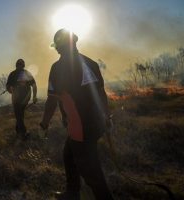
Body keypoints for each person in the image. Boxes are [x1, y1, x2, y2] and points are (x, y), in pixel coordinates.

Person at [40, 29, 114, 200]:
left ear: (60, 46)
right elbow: (101, 93)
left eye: (57, 46)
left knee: (90, 171)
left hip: (80, 126)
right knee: (69, 155)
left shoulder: (58, 68)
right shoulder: (91, 63)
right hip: (96, 123)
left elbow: (51, 101)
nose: (57, 50)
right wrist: (107, 116)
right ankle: (72, 193)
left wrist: (44, 124)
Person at [6, 59, 37, 139]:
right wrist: (34, 97)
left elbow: (8, 86)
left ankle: (23, 133)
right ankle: (18, 131)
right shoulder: (26, 73)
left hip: (19, 98)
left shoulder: (13, 74)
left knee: (19, 115)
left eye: (20, 65)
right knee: (20, 114)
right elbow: (34, 86)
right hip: (23, 98)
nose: (20, 66)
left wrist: (11, 91)